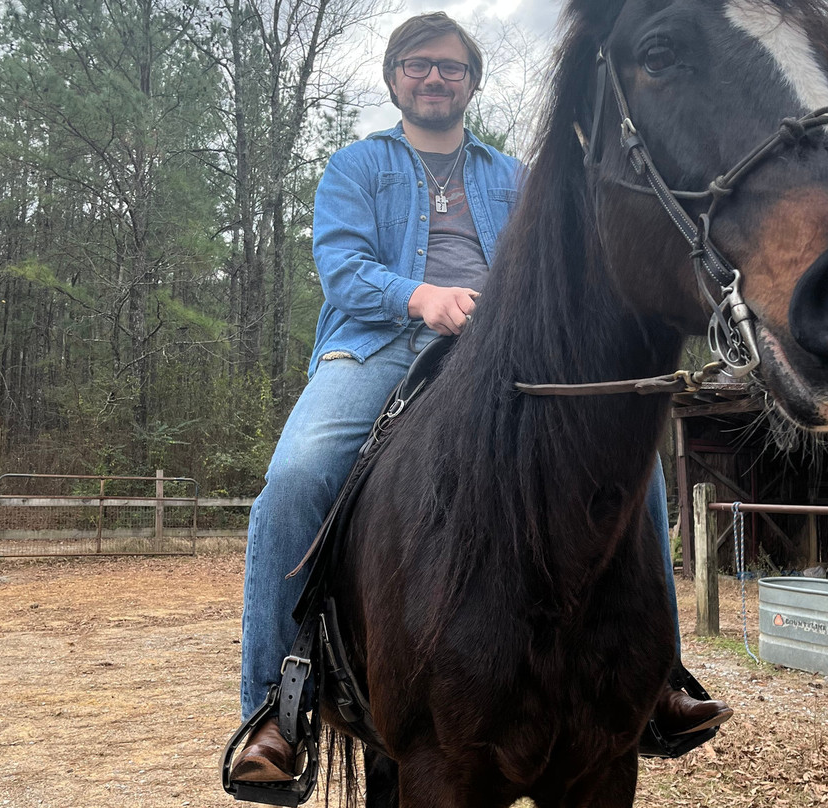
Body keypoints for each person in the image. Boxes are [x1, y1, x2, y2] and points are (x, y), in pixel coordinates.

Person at [228, 11, 731, 784]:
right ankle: (276, 708)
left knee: (637, 467)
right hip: (375, 343)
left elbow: (562, 266)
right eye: (419, 65)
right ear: (395, 77)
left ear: (472, 82)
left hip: (504, 354)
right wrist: (421, 297)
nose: (435, 77)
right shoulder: (356, 168)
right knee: (295, 477)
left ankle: (657, 678)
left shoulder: (514, 176)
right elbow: (343, 270)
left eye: (451, 67)